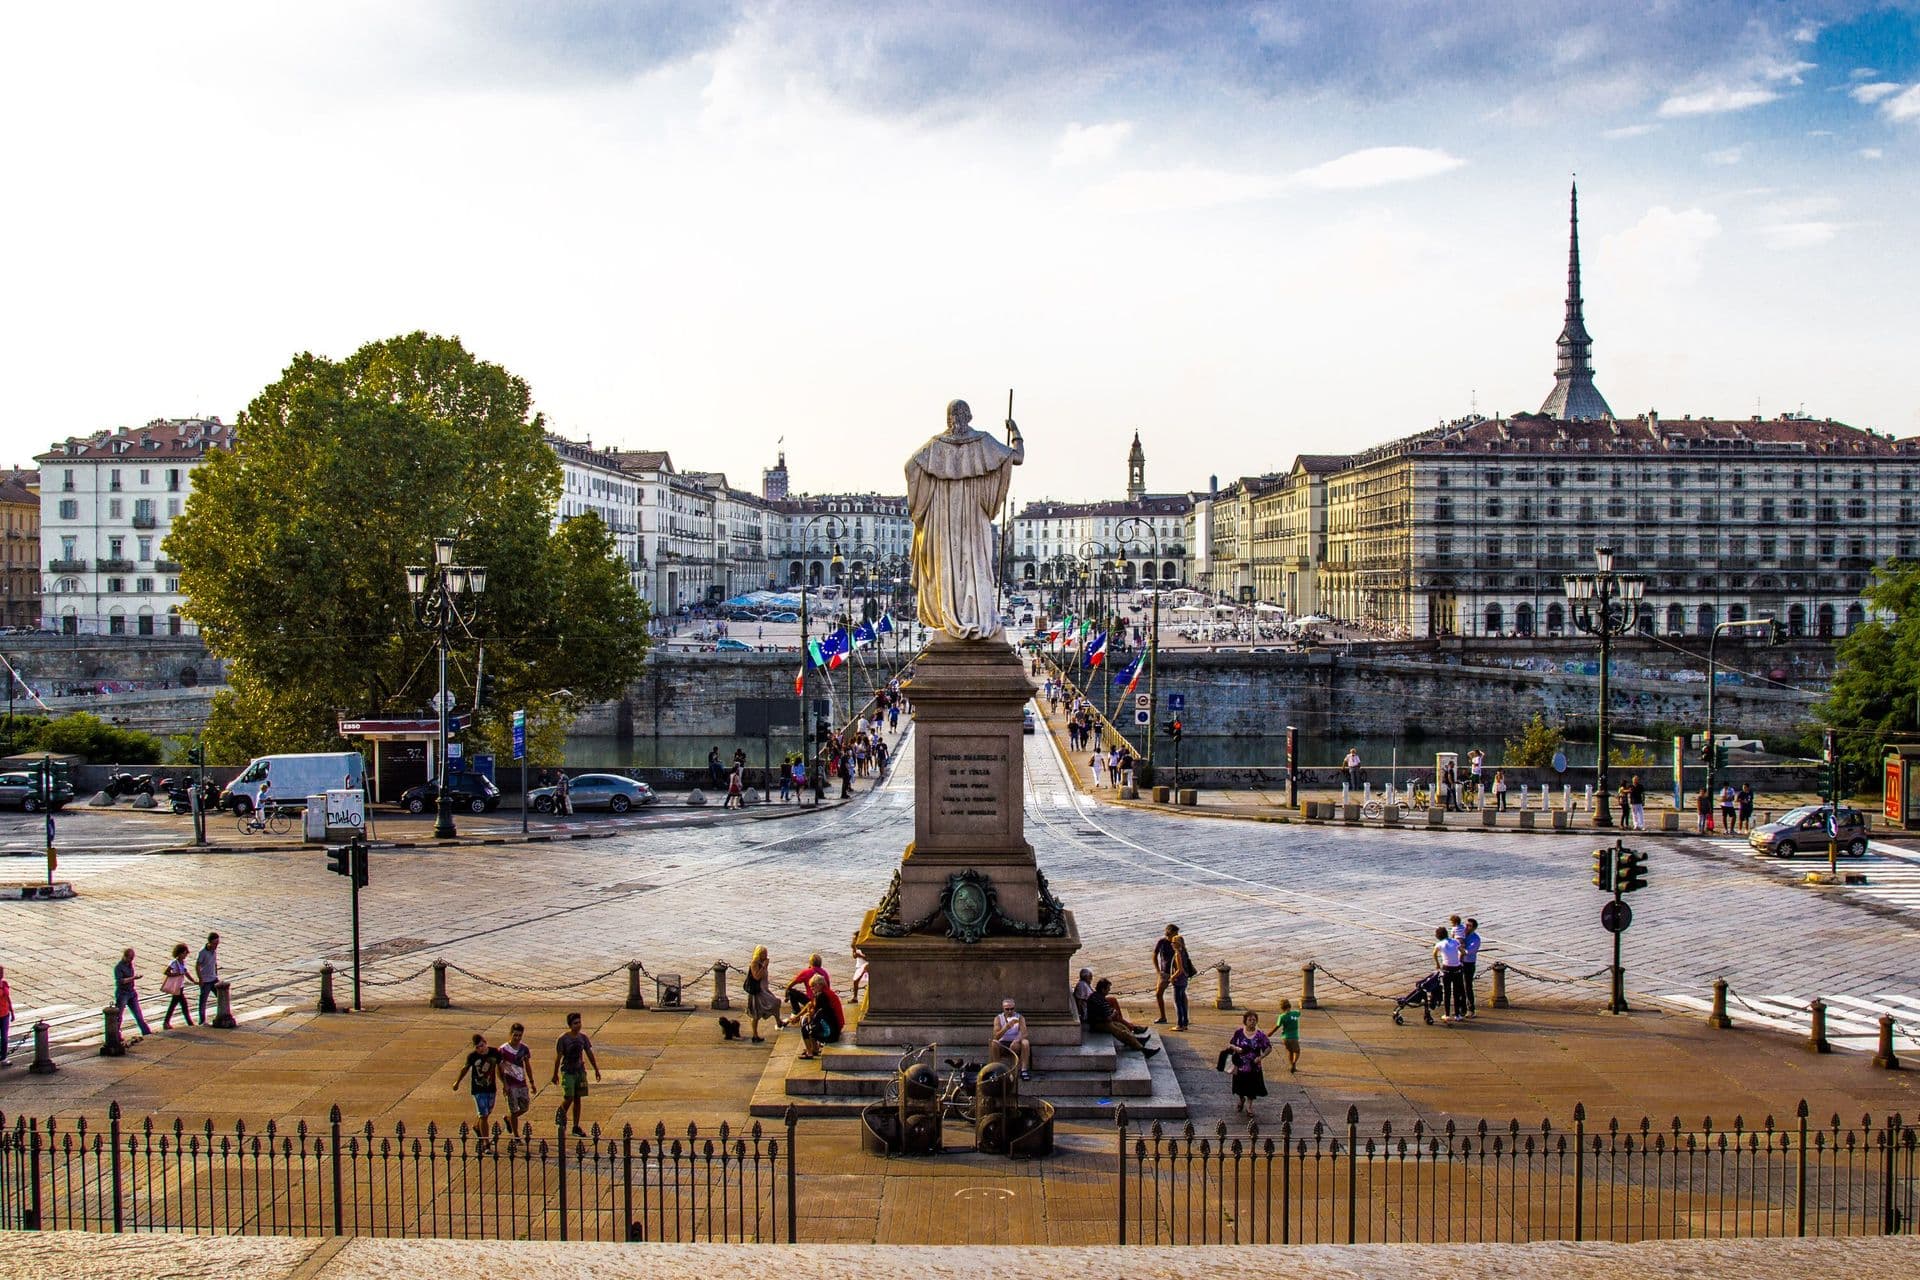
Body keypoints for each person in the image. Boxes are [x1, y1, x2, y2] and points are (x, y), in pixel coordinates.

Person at [551, 1011, 601, 1138]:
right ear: (570, 1025)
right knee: (569, 1097)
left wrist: (595, 1068)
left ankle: (575, 1126)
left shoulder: (583, 1038)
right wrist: (555, 1073)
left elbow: (589, 1053)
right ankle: (561, 1114)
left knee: (578, 1098)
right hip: (568, 1071)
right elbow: (558, 1057)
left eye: (579, 1022)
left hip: (579, 1071)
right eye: (575, 1023)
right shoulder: (563, 1039)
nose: (578, 1025)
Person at [453, 1032, 501, 1149]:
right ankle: (486, 1142)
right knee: (483, 1115)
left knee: (487, 1112)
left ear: (485, 1043)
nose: (480, 1049)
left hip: (491, 1088)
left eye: (481, 1045)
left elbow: (501, 1068)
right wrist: (457, 1082)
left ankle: (476, 1126)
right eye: (477, 1047)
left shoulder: (494, 1053)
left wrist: (505, 1084)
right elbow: (465, 1069)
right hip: (478, 1090)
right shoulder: (473, 1056)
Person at [1088, 978, 1159, 1056]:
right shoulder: (1101, 1000)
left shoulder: (1095, 996)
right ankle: (1143, 1049)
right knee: (1120, 1031)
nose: (1109, 990)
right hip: (1098, 1024)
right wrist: (1114, 1013)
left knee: (1122, 1026)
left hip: (1100, 1021)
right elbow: (1108, 1018)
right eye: (1108, 989)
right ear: (1103, 989)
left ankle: (1135, 1041)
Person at [1221, 1011, 1271, 1119]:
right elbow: (1230, 1044)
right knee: (1240, 1086)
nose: (1252, 1022)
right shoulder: (1239, 1033)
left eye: (1254, 1020)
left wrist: (1261, 1057)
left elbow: (1268, 1047)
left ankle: (1249, 1106)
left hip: (1254, 1066)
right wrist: (1236, 1048)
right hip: (1240, 1065)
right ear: (1245, 1021)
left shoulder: (1260, 1035)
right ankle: (1241, 1099)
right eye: (1250, 1020)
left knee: (1252, 1088)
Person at [497, 1023, 536, 1136]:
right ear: (511, 1034)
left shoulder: (524, 1049)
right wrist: (504, 1084)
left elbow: (527, 1065)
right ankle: (516, 1135)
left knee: (525, 1107)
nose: (517, 1038)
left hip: (521, 1082)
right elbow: (499, 1069)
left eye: (519, 1035)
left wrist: (532, 1082)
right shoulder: (503, 1050)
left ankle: (508, 1118)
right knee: (513, 1110)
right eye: (515, 1035)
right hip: (510, 1084)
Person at [741, 946, 786, 1043]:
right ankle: (755, 1034)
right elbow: (756, 977)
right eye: (763, 954)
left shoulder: (762, 963)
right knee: (756, 1014)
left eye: (766, 953)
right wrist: (764, 966)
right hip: (757, 992)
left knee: (776, 1003)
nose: (765, 955)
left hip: (764, 990)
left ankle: (779, 1022)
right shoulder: (755, 963)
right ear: (758, 954)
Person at [796, 975, 841, 1058]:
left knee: (805, 1025)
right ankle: (815, 1048)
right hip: (835, 1030)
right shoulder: (826, 993)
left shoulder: (820, 996)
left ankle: (810, 1052)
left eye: (813, 986)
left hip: (829, 1034)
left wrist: (806, 1014)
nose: (811, 988)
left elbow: (812, 1015)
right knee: (810, 1023)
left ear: (820, 985)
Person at [989, 997, 1032, 1080]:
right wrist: (1006, 1027)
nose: (1010, 1011)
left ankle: (1024, 1070)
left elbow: (1025, 1033)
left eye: (1012, 1009)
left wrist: (1017, 1040)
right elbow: (996, 1036)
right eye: (1007, 1009)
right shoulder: (998, 1018)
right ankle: (997, 1070)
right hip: (1003, 1044)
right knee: (994, 1042)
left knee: (1025, 1042)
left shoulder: (1019, 1017)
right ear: (1003, 1009)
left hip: (1016, 1044)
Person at [114, 947, 152, 1037]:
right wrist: (134, 978)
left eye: (132, 958)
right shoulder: (119, 967)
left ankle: (146, 1032)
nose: (131, 960)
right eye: (130, 958)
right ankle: (116, 1035)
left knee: (138, 1014)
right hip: (122, 993)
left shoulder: (130, 964)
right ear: (125, 957)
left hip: (131, 992)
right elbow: (120, 981)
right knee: (118, 1016)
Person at [1433, 927, 1465, 1025]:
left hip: (1447, 968)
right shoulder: (1455, 942)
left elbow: (1434, 954)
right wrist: (1459, 960)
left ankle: (1447, 1014)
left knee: (1447, 992)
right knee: (1457, 992)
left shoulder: (1439, 944)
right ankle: (1457, 1015)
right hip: (1457, 969)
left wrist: (1438, 963)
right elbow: (1463, 952)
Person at [1167, 926, 1195, 1031]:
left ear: (1176, 944)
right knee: (1182, 1002)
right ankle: (1185, 1022)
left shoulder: (1178, 954)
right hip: (1184, 980)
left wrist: (1172, 977)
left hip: (1179, 981)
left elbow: (1180, 969)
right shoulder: (1184, 952)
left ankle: (1179, 1024)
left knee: (1178, 1003)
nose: (1171, 944)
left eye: (1173, 942)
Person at [161, 943, 194, 1029]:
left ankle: (166, 1022)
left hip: (181, 986)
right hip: (177, 987)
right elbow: (166, 972)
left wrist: (193, 980)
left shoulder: (183, 962)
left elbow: (186, 972)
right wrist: (176, 974)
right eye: (184, 953)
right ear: (179, 953)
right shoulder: (174, 963)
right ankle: (189, 1023)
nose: (185, 955)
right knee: (183, 1005)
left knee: (175, 1005)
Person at [1151, 925, 1177, 1024]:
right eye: (1175, 933)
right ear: (1170, 933)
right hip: (1165, 972)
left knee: (1181, 995)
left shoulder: (1177, 942)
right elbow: (1154, 955)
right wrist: (1158, 971)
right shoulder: (1162, 942)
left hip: (1175, 972)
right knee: (1159, 994)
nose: (1176, 935)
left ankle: (1185, 1017)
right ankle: (1163, 1016)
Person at [195, 932, 221, 1025]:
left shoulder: (214, 951)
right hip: (205, 980)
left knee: (221, 997)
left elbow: (214, 963)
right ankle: (202, 1021)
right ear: (209, 942)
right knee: (203, 1001)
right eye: (214, 943)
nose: (216, 946)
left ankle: (221, 1015)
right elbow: (197, 965)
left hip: (213, 979)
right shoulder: (202, 952)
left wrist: (216, 974)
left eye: (217, 943)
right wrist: (200, 978)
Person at [1459, 918, 1481, 1018]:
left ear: (1474, 928)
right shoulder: (1461, 935)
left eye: (1469, 926)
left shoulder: (1476, 939)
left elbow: (1467, 952)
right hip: (1459, 963)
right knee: (1459, 987)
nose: (1467, 927)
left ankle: (1471, 1009)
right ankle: (1461, 1008)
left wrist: (1457, 947)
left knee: (1467, 986)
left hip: (1468, 964)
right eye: (1466, 925)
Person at [1272, 998, 1302, 1073]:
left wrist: (1270, 1033)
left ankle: (1291, 1064)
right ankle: (1294, 1063)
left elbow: (1277, 1026)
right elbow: (1299, 1012)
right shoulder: (1295, 1014)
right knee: (1297, 1051)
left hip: (1285, 1037)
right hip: (1294, 1037)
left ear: (1282, 1008)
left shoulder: (1282, 1017)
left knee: (1290, 1051)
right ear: (1289, 1006)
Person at [0, 964, 11, 1065]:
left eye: (2, 972)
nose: (1, 974)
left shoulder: (4, 983)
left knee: (4, 1037)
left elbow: (8, 998)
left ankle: (3, 1057)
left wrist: (11, 1010)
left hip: (5, 1014)